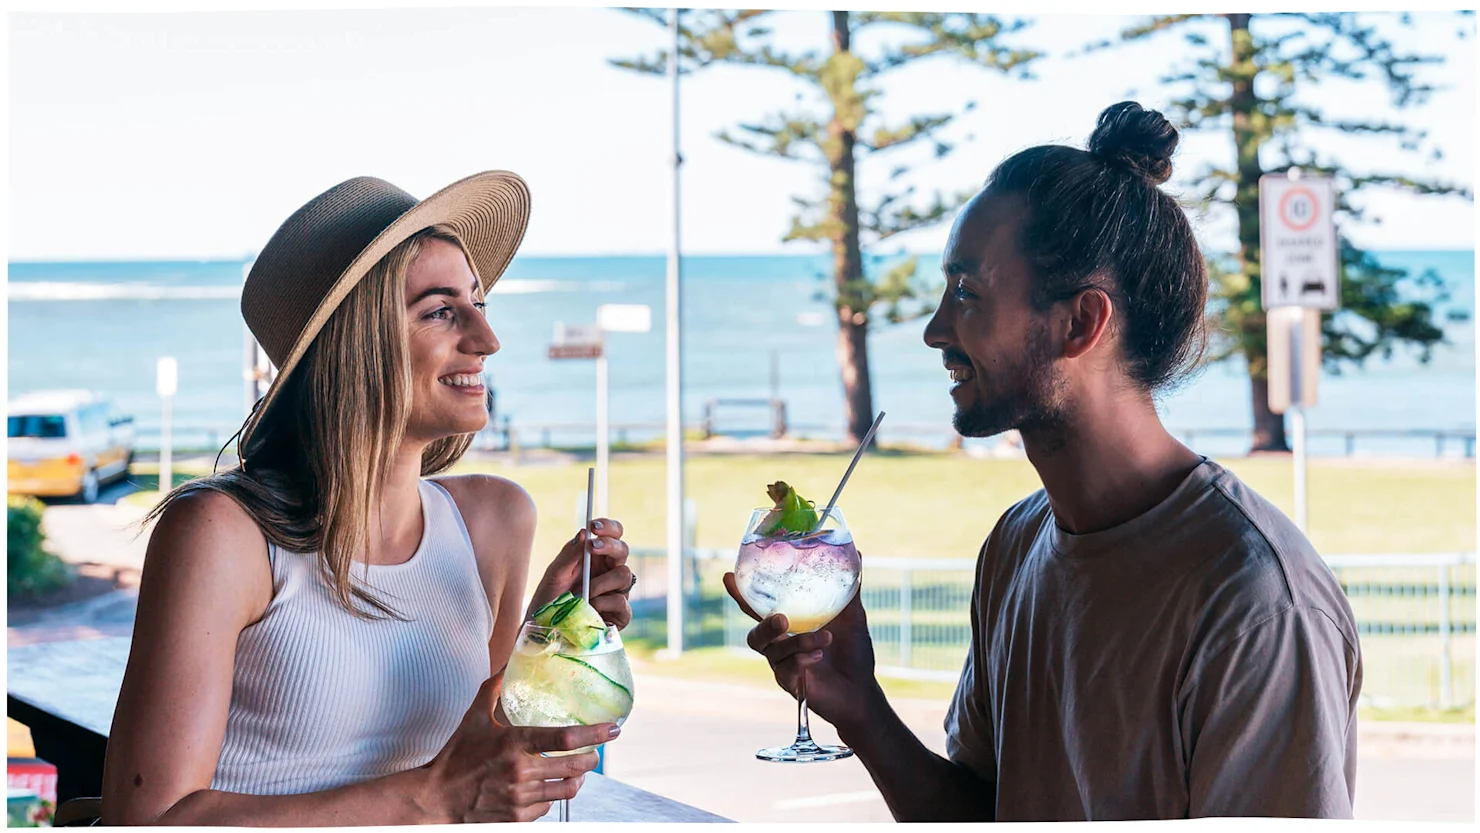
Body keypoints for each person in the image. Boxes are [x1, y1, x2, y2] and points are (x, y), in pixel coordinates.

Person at [726, 102, 1362, 821]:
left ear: (1081, 322)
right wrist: (861, 708)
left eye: (967, 292)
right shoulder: (1017, 543)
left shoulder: (1257, 603)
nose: (937, 329)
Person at [102, 172, 636, 824]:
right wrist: (430, 797)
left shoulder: (495, 520)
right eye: (442, 310)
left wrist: (548, 635)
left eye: (478, 303)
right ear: (356, 343)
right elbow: (149, 818)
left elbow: (488, 771)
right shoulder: (223, 534)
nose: (487, 339)